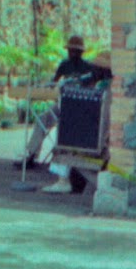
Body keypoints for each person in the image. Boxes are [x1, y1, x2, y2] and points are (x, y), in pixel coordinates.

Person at [17, 35, 108, 194]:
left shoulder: (91, 73)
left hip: (81, 111)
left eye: (75, 51)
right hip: (67, 105)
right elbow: (54, 83)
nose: (72, 53)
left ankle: (63, 180)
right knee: (43, 119)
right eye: (71, 51)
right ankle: (30, 155)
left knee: (66, 130)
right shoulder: (65, 65)